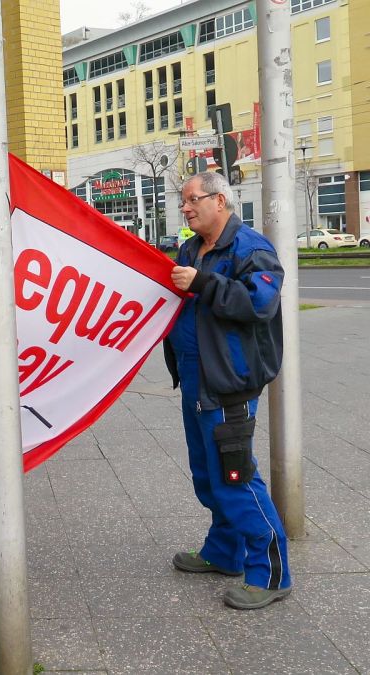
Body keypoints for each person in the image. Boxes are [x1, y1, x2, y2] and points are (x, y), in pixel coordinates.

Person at [164, 171, 292, 610]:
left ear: (220, 201)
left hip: (228, 383)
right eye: (182, 201)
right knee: (209, 474)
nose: (185, 207)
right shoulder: (191, 248)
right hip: (196, 377)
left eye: (192, 199)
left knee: (235, 477)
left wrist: (203, 283)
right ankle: (224, 552)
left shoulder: (251, 248)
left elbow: (260, 303)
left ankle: (271, 574)